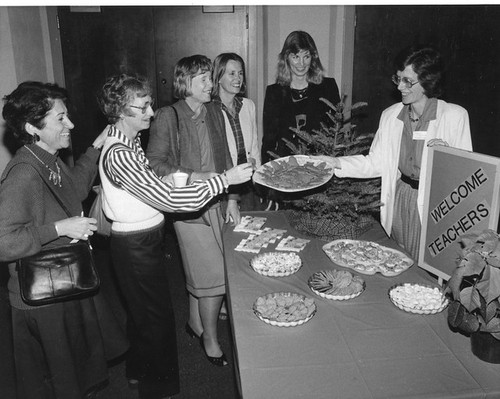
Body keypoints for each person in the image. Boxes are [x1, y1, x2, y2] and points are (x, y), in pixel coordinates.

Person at [98, 73, 252, 397]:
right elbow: (170, 201)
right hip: (135, 246)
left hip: (141, 242)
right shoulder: (120, 153)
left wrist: (177, 179)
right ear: (122, 111)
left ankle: (138, 372)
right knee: (156, 321)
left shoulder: (125, 141)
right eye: (142, 108)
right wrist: (224, 180)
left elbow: (153, 185)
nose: (151, 113)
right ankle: (157, 390)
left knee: (142, 316)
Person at [0, 81, 116, 399]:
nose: (71, 124)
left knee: (74, 375)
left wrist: (95, 148)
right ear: (31, 127)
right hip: (40, 299)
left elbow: (74, 192)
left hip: (62, 281)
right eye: (61, 118)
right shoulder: (23, 173)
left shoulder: (47, 159)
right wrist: (60, 228)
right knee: (59, 379)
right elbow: (3, 241)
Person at [321, 45, 473, 260]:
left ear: (428, 82)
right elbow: (376, 162)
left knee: (428, 266)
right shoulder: (391, 116)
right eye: (398, 78)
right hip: (401, 198)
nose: (401, 86)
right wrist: (334, 163)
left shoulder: (455, 116)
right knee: (398, 260)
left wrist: (446, 157)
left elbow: (466, 177)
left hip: (434, 206)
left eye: (408, 81)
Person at [147, 55, 250, 369]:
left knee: (202, 272)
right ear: (185, 83)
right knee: (214, 275)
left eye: (210, 77)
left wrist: (232, 197)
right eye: (203, 79)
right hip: (188, 207)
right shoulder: (168, 115)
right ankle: (210, 337)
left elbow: (225, 159)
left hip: (217, 202)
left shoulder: (215, 111)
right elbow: (155, 163)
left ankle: (194, 322)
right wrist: (196, 176)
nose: (211, 84)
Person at [261, 30, 341, 164]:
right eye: (295, 57)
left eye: (306, 56)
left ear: (313, 57)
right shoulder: (274, 92)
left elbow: (336, 133)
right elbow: (269, 141)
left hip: (320, 163)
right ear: (286, 58)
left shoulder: (328, 87)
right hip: (286, 166)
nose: (301, 63)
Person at [212, 52, 262, 211]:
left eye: (240, 73)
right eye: (232, 73)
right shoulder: (210, 109)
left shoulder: (248, 105)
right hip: (225, 184)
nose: (238, 78)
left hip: (248, 183)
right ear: (219, 77)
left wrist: (258, 178)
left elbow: (254, 146)